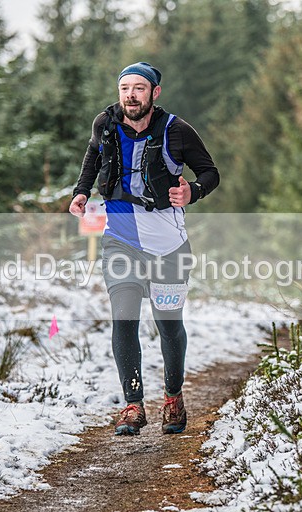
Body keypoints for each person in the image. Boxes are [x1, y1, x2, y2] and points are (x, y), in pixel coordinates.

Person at [69, 62, 220, 436]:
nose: (130, 95)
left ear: (155, 93)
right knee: (124, 320)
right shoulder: (104, 125)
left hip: (169, 248)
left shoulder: (177, 131)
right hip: (120, 242)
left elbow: (210, 172)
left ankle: (173, 397)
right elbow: (92, 158)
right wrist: (81, 190)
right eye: (124, 88)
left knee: (168, 326)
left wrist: (192, 191)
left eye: (139, 88)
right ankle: (133, 406)